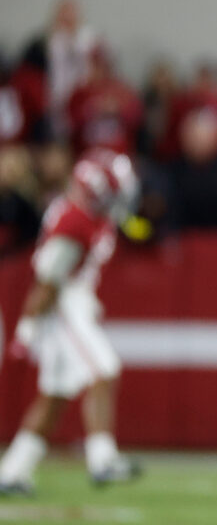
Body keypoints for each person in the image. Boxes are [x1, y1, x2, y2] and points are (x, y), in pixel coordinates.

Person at [0, 149, 142, 496]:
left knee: (54, 398)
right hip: (62, 306)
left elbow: (128, 225)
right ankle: (102, 460)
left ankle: (12, 471)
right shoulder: (73, 221)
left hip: (71, 303)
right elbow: (48, 280)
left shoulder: (88, 214)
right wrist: (27, 329)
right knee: (104, 369)